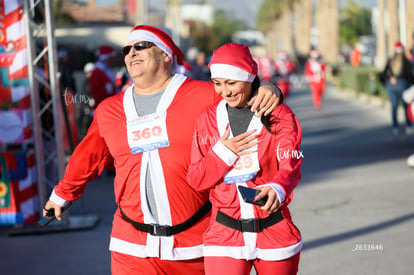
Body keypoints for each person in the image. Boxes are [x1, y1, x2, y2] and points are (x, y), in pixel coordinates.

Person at [41, 25, 281, 275]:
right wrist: (62, 195)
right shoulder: (108, 110)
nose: (132, 52)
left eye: (141, 46)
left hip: (197, 246)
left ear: (166, 55)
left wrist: (268, 88)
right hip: (130, 247)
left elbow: (244, 95)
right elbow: (88, 156)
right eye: (127, 49)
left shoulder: (206, 96)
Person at [187, 43, 302, 275]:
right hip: (224, 234)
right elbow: (196, 180)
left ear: (250, 78)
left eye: (232, 82)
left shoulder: (279, 114)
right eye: (218, 83)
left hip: (275, 230)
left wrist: (278, 187)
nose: (225, 91)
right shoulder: (207, 119)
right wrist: (222, 154)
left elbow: (291, 162)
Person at [381, 41, 414, 135]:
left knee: (394, 107)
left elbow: (383, 73)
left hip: (391, 86)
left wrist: (389, 79)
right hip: (403, 85)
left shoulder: (390, 60)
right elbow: (409, 75)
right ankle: (408, 126)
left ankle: (395, 126)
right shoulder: (405, 61)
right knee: (405, 106)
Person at [89, 45, 117, 112]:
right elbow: (94, 89)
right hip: (101, 106)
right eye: (111, 58)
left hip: (109, 105)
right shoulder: (97, 71)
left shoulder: (107, 69)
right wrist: (110, 87)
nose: (113, 60)